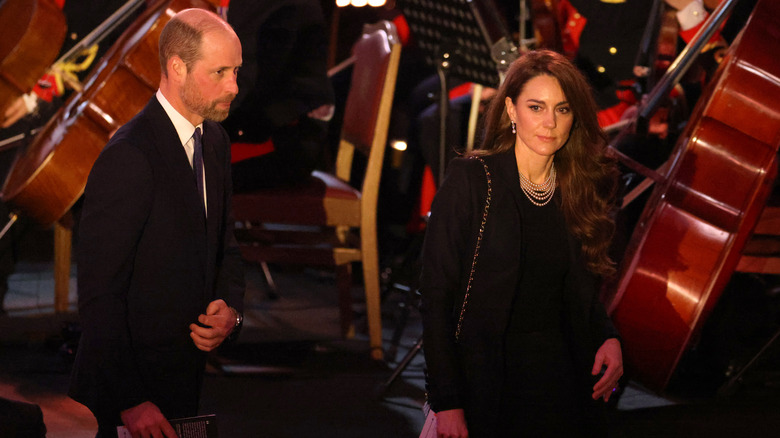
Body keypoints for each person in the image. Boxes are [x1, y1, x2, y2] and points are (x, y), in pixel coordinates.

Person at [419, 50, 623, 437]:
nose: (550, 123)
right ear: (511, 110)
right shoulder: (472, 181)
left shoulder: (577, 187)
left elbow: (577, 291)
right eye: (536, 107)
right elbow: (435, 298)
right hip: (487, 380)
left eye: (562, 110)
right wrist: (447, 401)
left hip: (560, 376)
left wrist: (607, 336)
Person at [68, 8, 245, 438]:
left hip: (186, 375)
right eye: (219, 72)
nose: (233, 87)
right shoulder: (130, 156)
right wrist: (131, 400)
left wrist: (232, 314)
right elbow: (99, 295)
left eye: (236, 71)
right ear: (177, 68)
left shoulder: (215, 140)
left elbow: (226, 245)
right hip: (133, 390)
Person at [219, 0, 335, 191]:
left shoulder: (270, 6)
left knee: (176, 169)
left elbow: (248, 87)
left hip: (283, 142)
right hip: (279, 130)